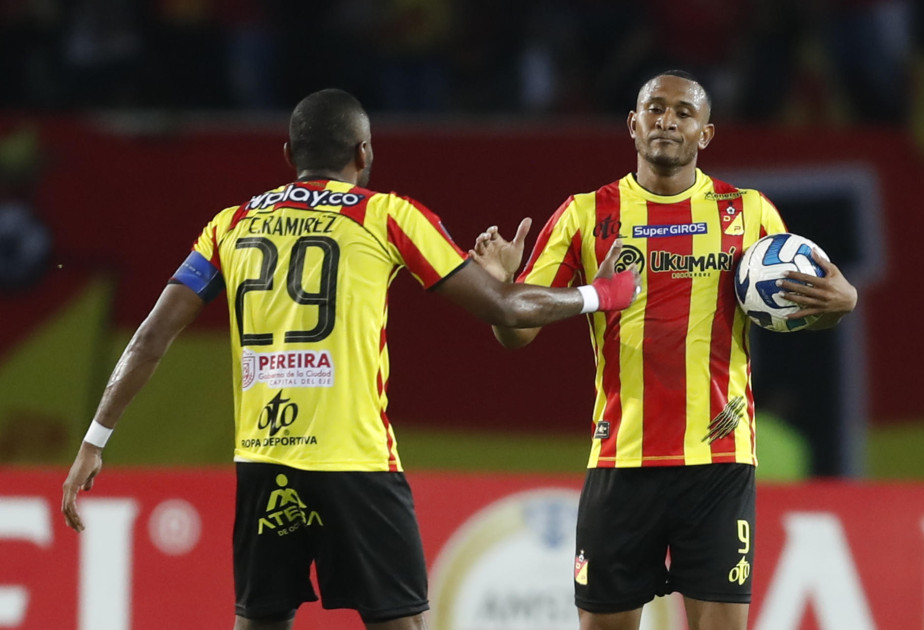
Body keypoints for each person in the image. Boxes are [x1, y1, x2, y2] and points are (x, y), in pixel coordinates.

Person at [60, 88, 641, 630]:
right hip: (354, 465)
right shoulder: (386, 215)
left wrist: (94, 440)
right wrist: (603, 294)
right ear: (364, 152)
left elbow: (150, 337)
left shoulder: (230, 225)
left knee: (260, 622)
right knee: (401, 622)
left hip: (266, 463)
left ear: (289, 153)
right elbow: (507, 309)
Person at [470, 70, 858, 630]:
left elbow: (804, 313)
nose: (667, 120)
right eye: (654, 109)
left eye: (683, 112)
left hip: (718, 462)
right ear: (632, 124)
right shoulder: (585, 214)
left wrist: (840, 303)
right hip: (622, 459)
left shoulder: (749, 213)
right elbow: (515, 333)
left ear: (706, 134)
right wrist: (500, 292)